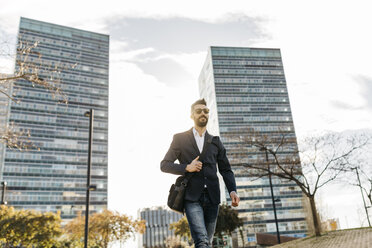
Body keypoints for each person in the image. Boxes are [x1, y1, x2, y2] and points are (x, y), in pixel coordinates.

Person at [161, 99, 240, 248]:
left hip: (213, 197)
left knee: (207, 242)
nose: (203, 113)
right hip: (191, 198)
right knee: (202, 241)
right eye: (199, 111)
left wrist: (232, 190)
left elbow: (226, 169)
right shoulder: (180, 139)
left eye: (206, 111)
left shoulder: (216, 141)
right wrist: (186, 167)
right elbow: (164, 165)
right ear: (192, 115)